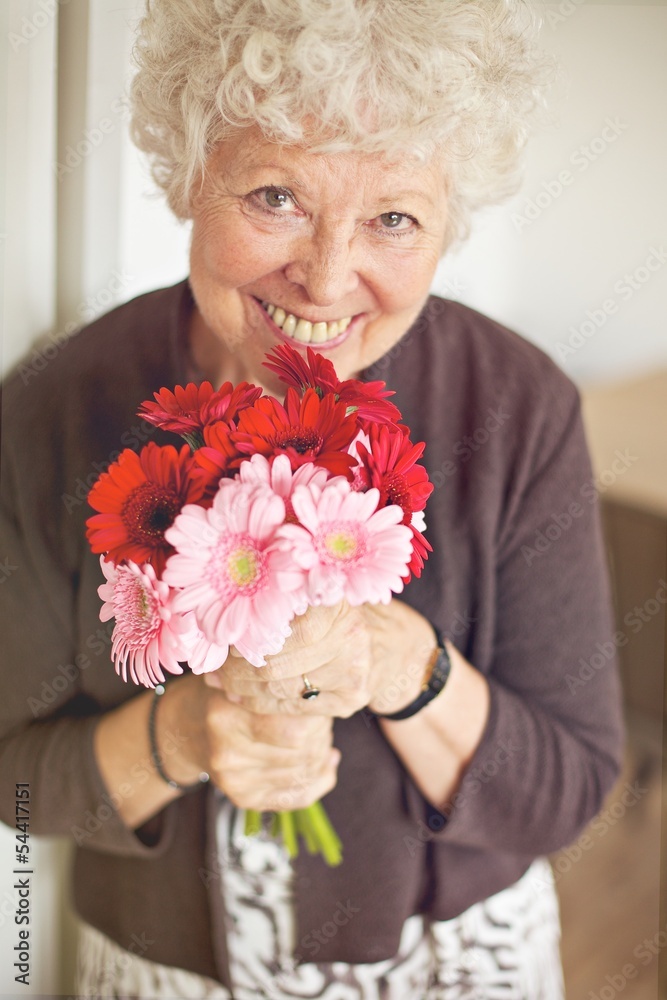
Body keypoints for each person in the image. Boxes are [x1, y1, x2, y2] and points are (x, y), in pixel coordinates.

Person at [0, 0, 624, 997]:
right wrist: (190, 729)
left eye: (393, 217)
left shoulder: (518, 408)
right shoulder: (51, 412)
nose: (326, 279)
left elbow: (568, 795)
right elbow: (16, 783)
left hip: (451, 965)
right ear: (187, 171)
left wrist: (398, 661)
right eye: (276, 195)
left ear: (446, 223)